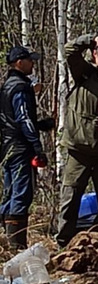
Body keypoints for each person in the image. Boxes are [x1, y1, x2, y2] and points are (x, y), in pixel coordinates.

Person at [56, 34, 98, 247]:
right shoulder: (85, 74)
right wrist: (91, 40)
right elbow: (68, 52)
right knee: (71, 196)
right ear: (94, 55)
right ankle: (63, 242)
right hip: (79, 148)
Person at [0, 46, 54, 250]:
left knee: (9, 193)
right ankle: (16, 247)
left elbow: (10, 120)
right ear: (19, 63)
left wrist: (41, 124)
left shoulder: (7, 86)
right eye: (29, 60)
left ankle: (6, 244)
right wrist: (37, 145)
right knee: (21, 194)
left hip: (8, 148)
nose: (33, 63)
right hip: (21, 149)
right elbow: (22, 118)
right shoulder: (20, 88)